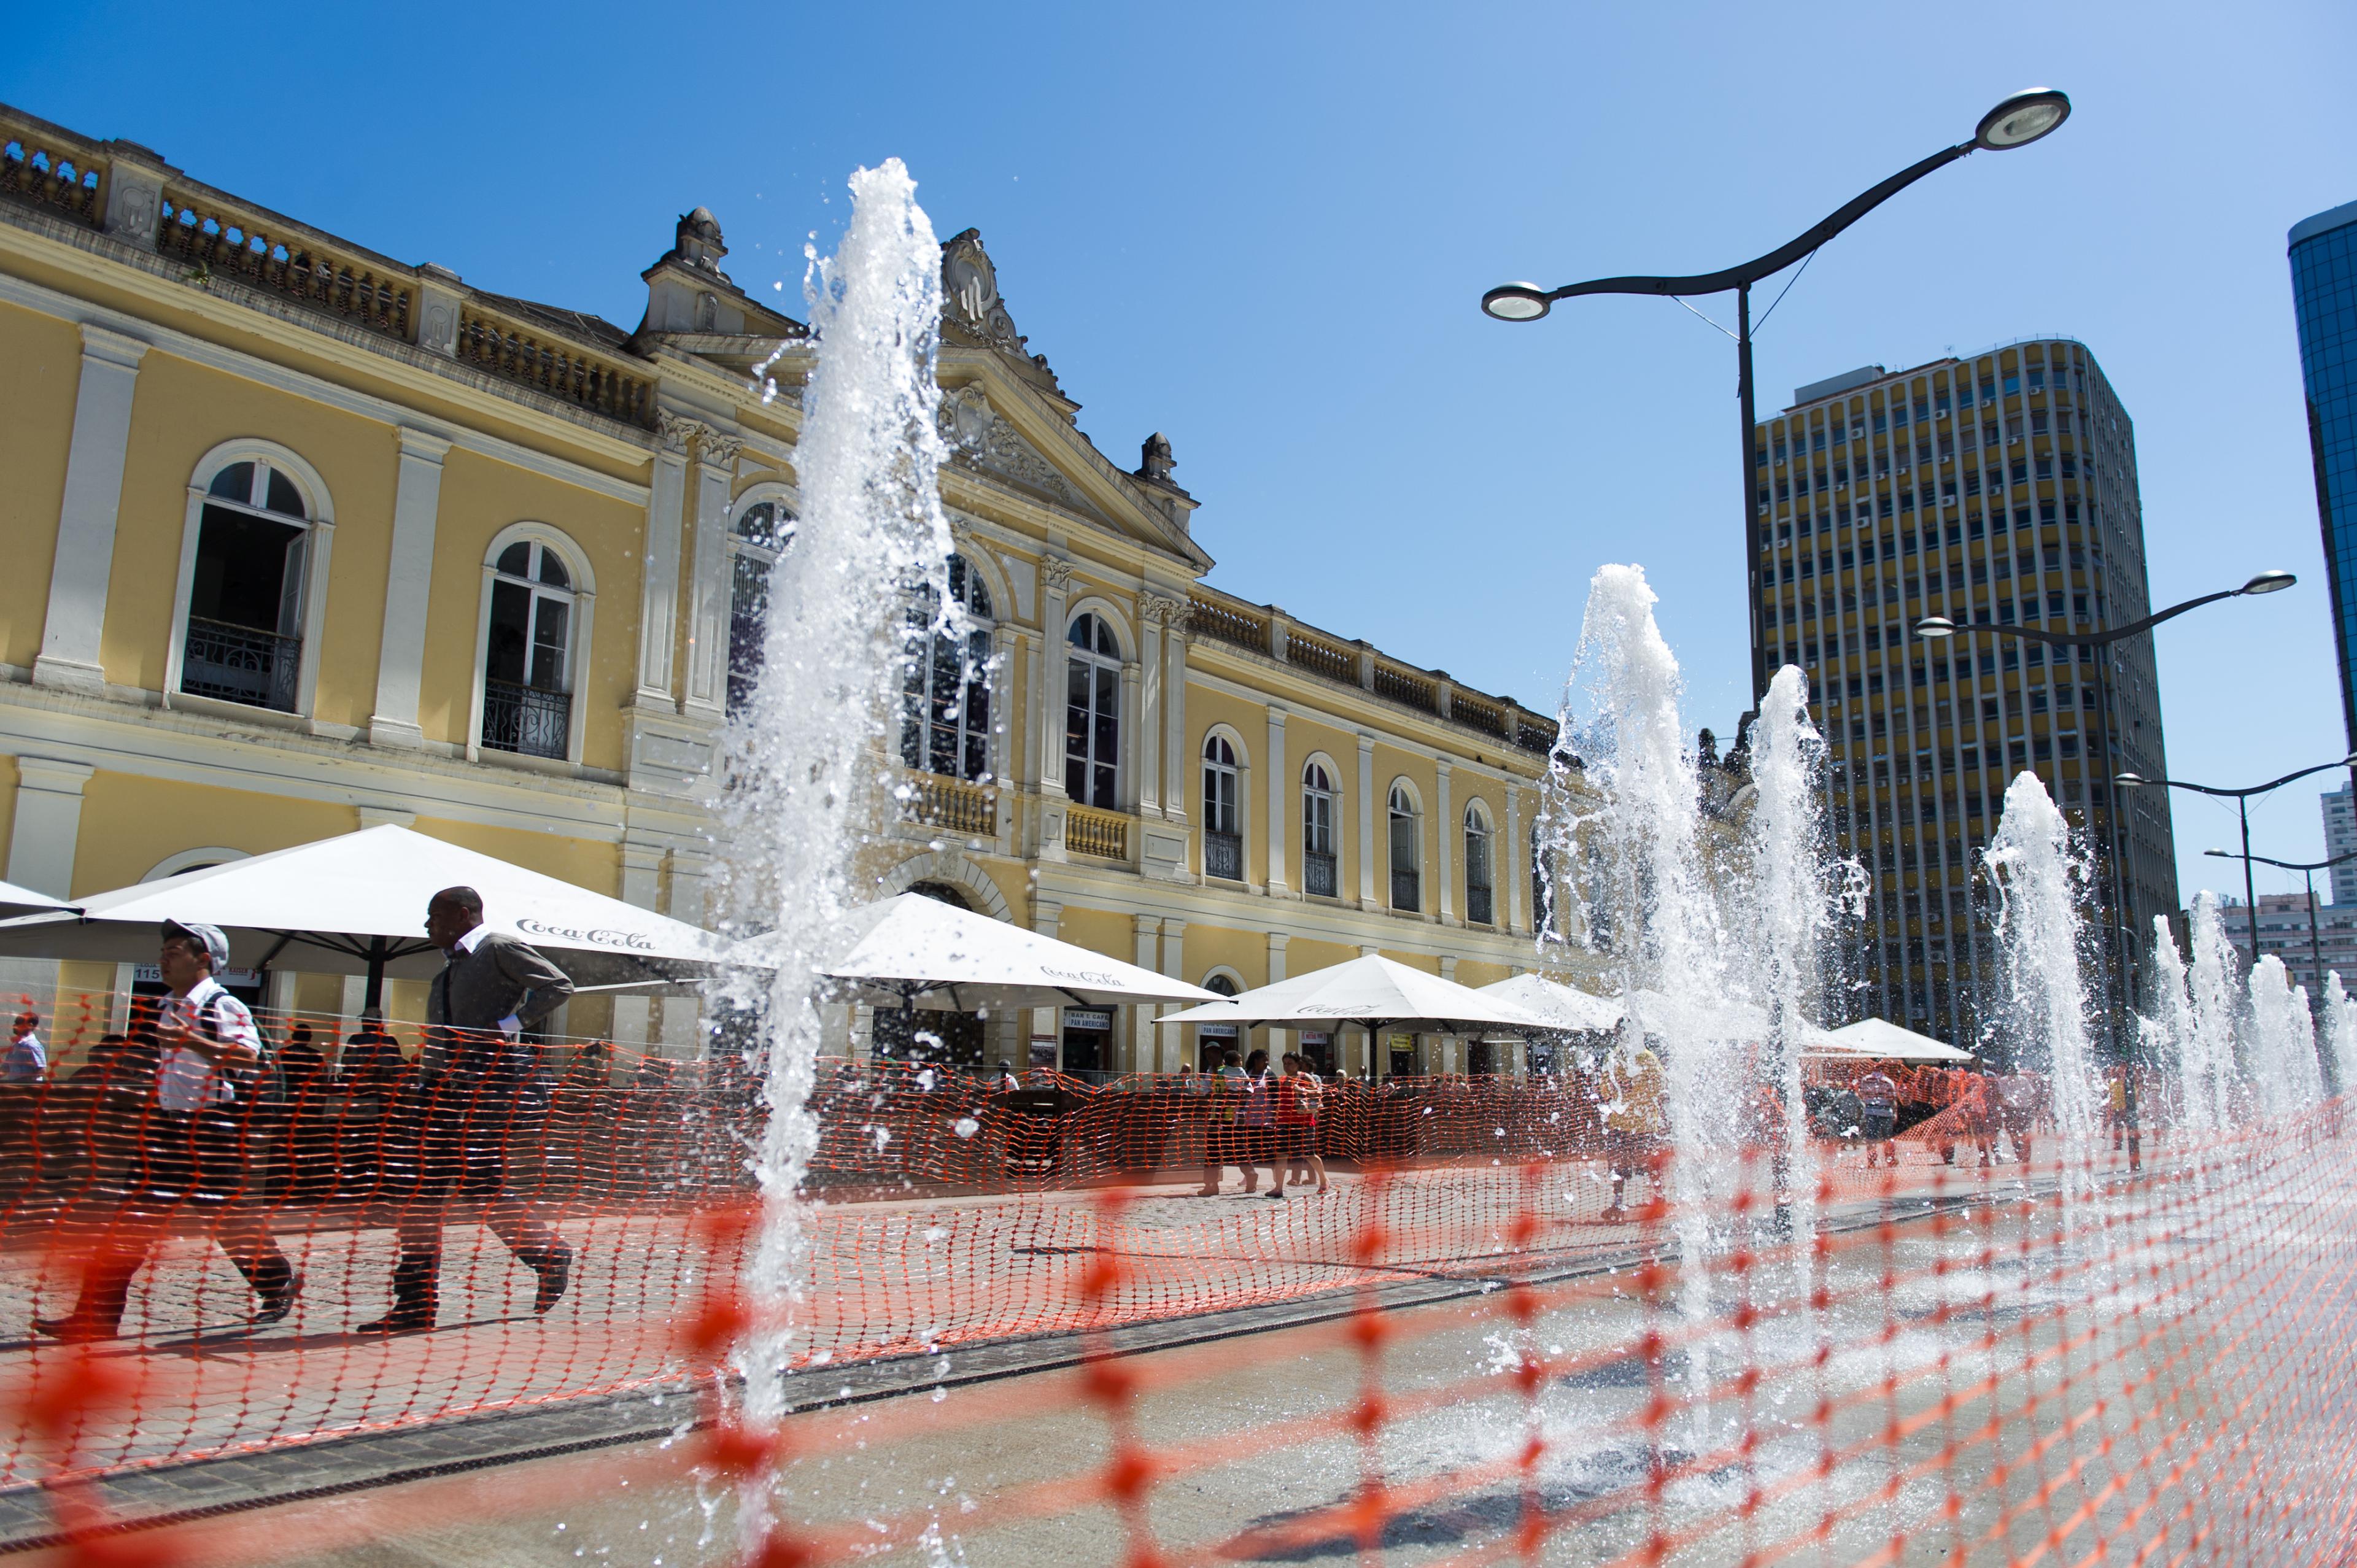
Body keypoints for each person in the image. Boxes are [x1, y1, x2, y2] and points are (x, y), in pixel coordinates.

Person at [35, 921, 301, 1341]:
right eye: (164, 950)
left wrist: (193, 1041)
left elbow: (249, 1058)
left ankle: (278, 1282)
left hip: (210, 1128)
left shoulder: (222, 1004)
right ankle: (96, 1319)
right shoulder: (169, 1004)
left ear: (204, 960)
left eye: (174, 950)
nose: (163, 958)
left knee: (229, 1221)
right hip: (164, 1127)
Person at [362, 886, 575, 1335]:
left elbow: (558, 984)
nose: (426, 926)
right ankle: (415, 1303)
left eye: (434, 916)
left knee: (481, 1187)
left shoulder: (498, 949)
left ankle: (548, 1253)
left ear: (462, 914)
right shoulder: (448, 969)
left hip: (485, 1088)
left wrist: (509, 1025)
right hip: (440, 1090)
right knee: (423, 1193)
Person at [1599, 1039, 1667, 1222]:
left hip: (1626, 1123)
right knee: (1647, 1163)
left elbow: (1605, 1089)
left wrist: (1626, 1090)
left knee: (1621, 1164)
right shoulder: (1647, 1058)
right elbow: (1660, 1086)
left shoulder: (1616, 1057)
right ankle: (1657, 1199)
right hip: (1639, 1122)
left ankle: (1619, 1205)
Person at [1195, 1047, 1250, 1195]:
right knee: (1212, 1149)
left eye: (1212, 1055)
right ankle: (1211, 1185)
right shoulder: (1210, 1072)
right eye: (1207, 1056)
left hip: (1231, 1117)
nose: (1210, 1058)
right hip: (1215, 1117)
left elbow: (1249, 1090)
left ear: (1221, 1055)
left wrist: (1234, 1098)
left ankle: (1251, 1175)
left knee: (1236, 1148)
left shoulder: (1234, 1071)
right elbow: (1206, 1092)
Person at [1275, 1052, 1328, 1197]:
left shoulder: (1305, 1077)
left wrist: (1302, 1090)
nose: (1287, 1066)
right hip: (1284, 1122)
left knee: (1309, 1154)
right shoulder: (1283, 1079)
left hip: (1304, 1123)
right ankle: (1278, 1188)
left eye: (1290, 1063)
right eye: (1285, 1063)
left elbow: (1317, 1094)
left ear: (1298, 1064)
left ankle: (1324, 1181)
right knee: (1282, 1155)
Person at [1856, 1064, 1900, 1169]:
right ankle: (1890, 1160)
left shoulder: (1866, 1080)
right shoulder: (1888, 1082)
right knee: (1887, 1138)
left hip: (1870, 1112)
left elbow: (1861, 1095)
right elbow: (1892, 1099)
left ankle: (1871, 1161)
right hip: (1885, 1112)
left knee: (1871, 1139)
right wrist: (1895, 1113)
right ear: (1884, 1070)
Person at [5, 1003, 45, 1083]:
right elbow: (6, 1068)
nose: (14, 1025)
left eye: (18, 1023)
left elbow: (42, 1070)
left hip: (28, 1092)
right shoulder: (16, 1045)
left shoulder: (32, 1045)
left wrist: (20, 1084)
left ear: (29, 1026)